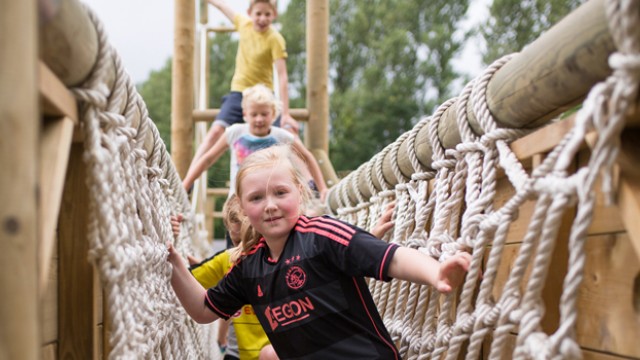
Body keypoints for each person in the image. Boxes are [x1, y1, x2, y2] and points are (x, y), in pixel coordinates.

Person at [168, 145, 472, 359]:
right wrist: (173, 260)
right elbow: (204, 310)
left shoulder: (322, 236)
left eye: (281, 192)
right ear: (243, 207)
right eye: (257, 197)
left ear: (299, 193)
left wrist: (436, 272)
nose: (270, 204)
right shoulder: (249, 268)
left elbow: (391, 257)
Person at [187, 0, 299, 183]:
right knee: (215, 132)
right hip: (239, 93)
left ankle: (297, 184)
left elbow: (283, 76)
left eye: (267, 14)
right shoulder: (243, 24)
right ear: (250, 13)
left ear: (274, 15)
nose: (262, 18)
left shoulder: (275, 38)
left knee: (283, 139)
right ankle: (189, 180)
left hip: (263, 97)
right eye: (258, 14)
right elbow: (224, 7)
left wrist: (285, 114)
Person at [172, 196, 278, 360]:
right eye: (237, 242)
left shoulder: (285, 260)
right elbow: (183, 279)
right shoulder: (230, 259)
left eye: (252, 240)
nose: (244, 249)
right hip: (238, 354)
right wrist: (172, 238)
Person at [182, 84, 327, 201]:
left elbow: (307, 157)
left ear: (273, 115)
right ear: (245, 114)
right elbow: (207, 159)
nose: (259, 119)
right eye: (254, 114)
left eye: (264, 114)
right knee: (236, 229)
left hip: (270, 200)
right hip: (239, 200)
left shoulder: (281, 136)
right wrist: (185, 185)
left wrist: (322, 189)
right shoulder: (235, 132)